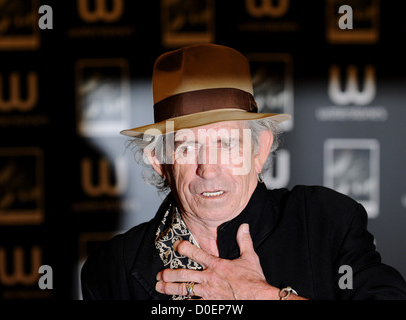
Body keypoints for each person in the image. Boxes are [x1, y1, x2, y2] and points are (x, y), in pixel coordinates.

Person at [81, 44, 406, 300]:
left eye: (225, 143)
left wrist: (262, 296)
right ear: (159, 162)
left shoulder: (326, 222)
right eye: (187, 147)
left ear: (259, 149)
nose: (208, 168)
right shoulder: (112, 269)